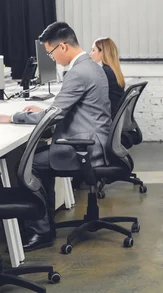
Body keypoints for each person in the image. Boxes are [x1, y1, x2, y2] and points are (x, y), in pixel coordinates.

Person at [0, 22, 112, 251]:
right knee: (35, 158)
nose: (51, 58)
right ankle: (42, 224)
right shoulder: (90, 66)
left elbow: (53, 116)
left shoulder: (78, 72)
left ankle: (40, 232)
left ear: (62, 47)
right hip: (95, 139)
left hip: (86, 147)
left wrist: (13, 118)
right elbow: (59, 109)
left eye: (50, 53)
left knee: (28, 167)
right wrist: (41, 112)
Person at [90, 37, 125, 118]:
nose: (90, 53)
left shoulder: (105, 72)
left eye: (93, 50)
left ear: (102, 52)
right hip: (115, 115)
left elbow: (94, 96)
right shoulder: (114, 70)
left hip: (107, 117)